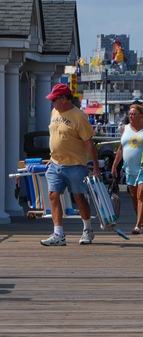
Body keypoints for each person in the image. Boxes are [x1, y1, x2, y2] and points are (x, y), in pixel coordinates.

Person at [39, 84, 101, 247]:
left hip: (75, 164)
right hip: (55, 163)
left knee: (79, 197)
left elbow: (89, 143)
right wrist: (51, 157)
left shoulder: (79, 116)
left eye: (54, 99)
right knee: (53, 195)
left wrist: (95, 167)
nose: (52, 102)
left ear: (65, 99)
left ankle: (87, 229)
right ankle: (58, 233)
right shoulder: (54, 112)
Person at [109, 102, 143, 235]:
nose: (131, 117)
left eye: (134, 114)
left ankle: (138, 225)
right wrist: (114, 165)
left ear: (141, 115)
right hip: (129, 168)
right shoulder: (125, 128)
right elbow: (121, 149)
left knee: (141, 195)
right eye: (129, 114)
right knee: (134, 197)